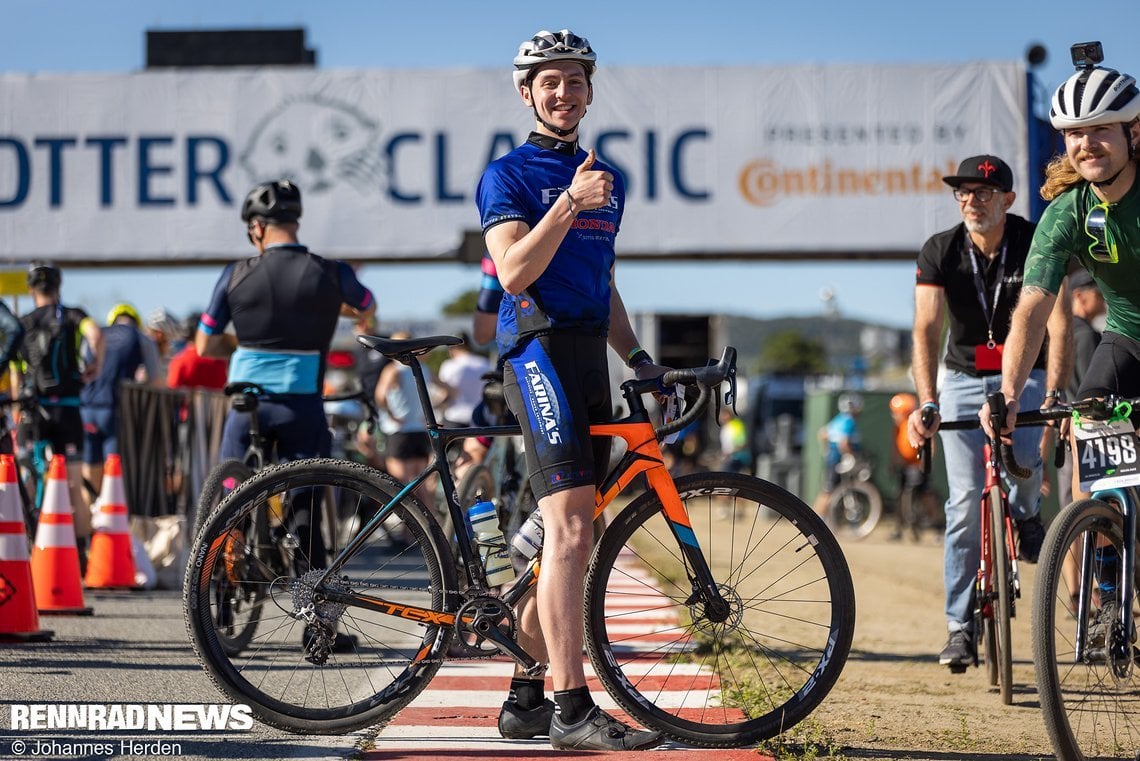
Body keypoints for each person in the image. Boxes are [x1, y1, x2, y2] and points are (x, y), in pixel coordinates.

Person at [474, 29, 665, 751]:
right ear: (527, 93)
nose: (563, 93)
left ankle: (525, 695)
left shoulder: (608, 179)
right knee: (572, 532)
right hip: (535, 350)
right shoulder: (509, 174)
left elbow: (603, 284)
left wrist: (640, 357)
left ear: (589, 91)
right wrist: (568, 204)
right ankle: (571, 709)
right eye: (548, 82)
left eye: (574, 81)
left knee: (568, 535)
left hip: (589, 353)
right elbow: (515, 272)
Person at [983, 46, 1140, 637]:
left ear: (1134, 131)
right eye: (1075, 133)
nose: (1087, 144)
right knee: (1091, 446)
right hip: (1128, 338)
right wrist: (1007, 394)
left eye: (1101, 130)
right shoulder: (1069, 211)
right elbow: (1032, 309)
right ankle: (1102, 601)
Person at [906, 155, 1072, 671]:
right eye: (963, 192)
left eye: (983, 192)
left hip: (1026, 372)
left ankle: (1024, 515)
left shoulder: (1036, 239)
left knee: (1025, 466)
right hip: (959, 377)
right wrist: (927, 400)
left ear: (1008, 200)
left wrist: (1055, 395)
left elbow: (1060, 323)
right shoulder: (940, 249)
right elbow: (926, 330)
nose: (971, 201)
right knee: (961, 501)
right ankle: (959, 627)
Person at [197, 180, 375, 649]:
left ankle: (224, 560)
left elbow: (203, 343)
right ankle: (319, 626)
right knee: (306, 506)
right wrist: (349, 318)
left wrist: (243, 343)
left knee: (227, 496)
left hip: (246, 403)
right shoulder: (330, 272)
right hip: (301, 403)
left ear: (256, 229)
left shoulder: (235, 274)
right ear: (295, 224)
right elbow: (368, 308)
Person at [15, 261, 104, 560]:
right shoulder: (73, 316)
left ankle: (25, 545)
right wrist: (95, 365)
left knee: (27, 477)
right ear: (58, 287)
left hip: (33, 410)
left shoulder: (23, 322)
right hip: (68, 408)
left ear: (31, 290)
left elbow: (17, 372)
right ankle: (79, 556)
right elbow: (96, 336)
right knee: (74, 482)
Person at [80, 302, 162, 494]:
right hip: (114, 409)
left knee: (90, 462)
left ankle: (91, 510)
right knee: (113, 468)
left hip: (87, 408)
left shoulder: (96, 334)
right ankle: (110, 514)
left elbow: (83, 368)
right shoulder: (141, 338)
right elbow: (156, 381)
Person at [373, 330, 438, 512]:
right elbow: (449, 391)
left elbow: (380, 396)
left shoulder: (393, 369)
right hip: (419, 429)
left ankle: (408, 534)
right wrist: (428, 412)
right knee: (421, 486)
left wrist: (392, 415)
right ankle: (434, 531)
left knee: (401, 486)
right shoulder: (422, 368)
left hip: (399, 430)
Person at [812, 392, 863, 519]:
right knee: (828, 490)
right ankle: (816, 518)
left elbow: (822, 433)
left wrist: (825, 450)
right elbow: (843, 442)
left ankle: (820, 518)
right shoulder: (849, 421)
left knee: (828, 489)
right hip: (837, 460)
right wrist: (851, 455)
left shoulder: (839, 419)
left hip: (833, 459)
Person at [436, 332, 491, 427]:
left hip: (455, 417)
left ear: (452, 348)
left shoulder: (449, 365)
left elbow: (445, 394)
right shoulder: (484, 363)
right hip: (479, 418)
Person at [166, 314, 227, 391]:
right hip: (216, 402)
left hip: (189, 403)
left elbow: (173, 390)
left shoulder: (180, 361)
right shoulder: (219, 362)